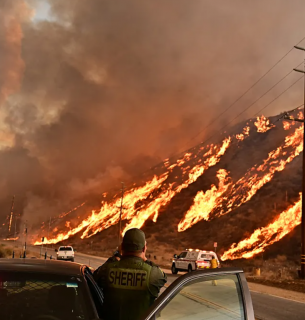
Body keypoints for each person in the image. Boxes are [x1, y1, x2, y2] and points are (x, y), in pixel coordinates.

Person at [93, 228, 167, 320]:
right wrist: (145, 259)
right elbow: (163, 277)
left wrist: (116, 255)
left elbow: (94, 278)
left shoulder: (108, 270)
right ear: (144, 248)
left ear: (122, 247)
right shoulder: (152, 274)